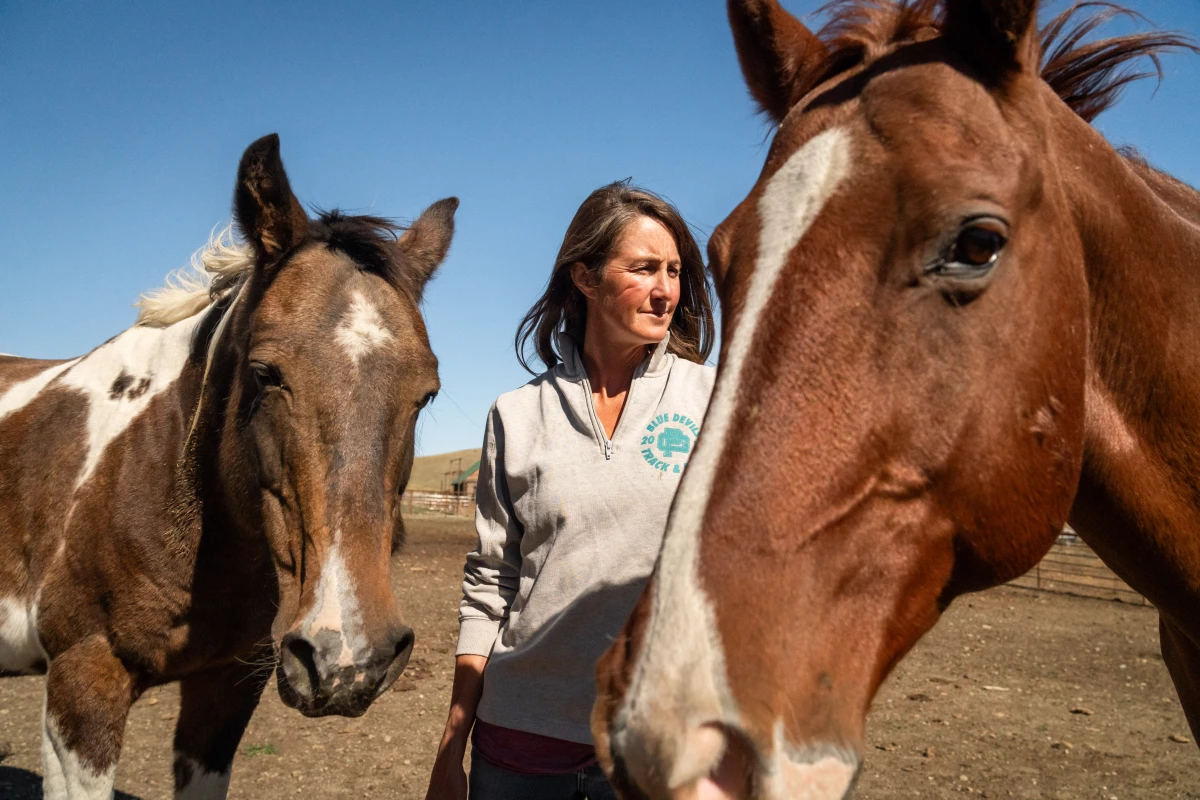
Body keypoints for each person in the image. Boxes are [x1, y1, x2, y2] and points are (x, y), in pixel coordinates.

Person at [424, 181, 716, 799]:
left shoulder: (717, 398)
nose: (666, 290)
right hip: (518, 744)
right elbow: (491, 582)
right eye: (643, 269)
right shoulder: (516, 414)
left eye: (675, 271)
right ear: (585, 279)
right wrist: (453, 745)